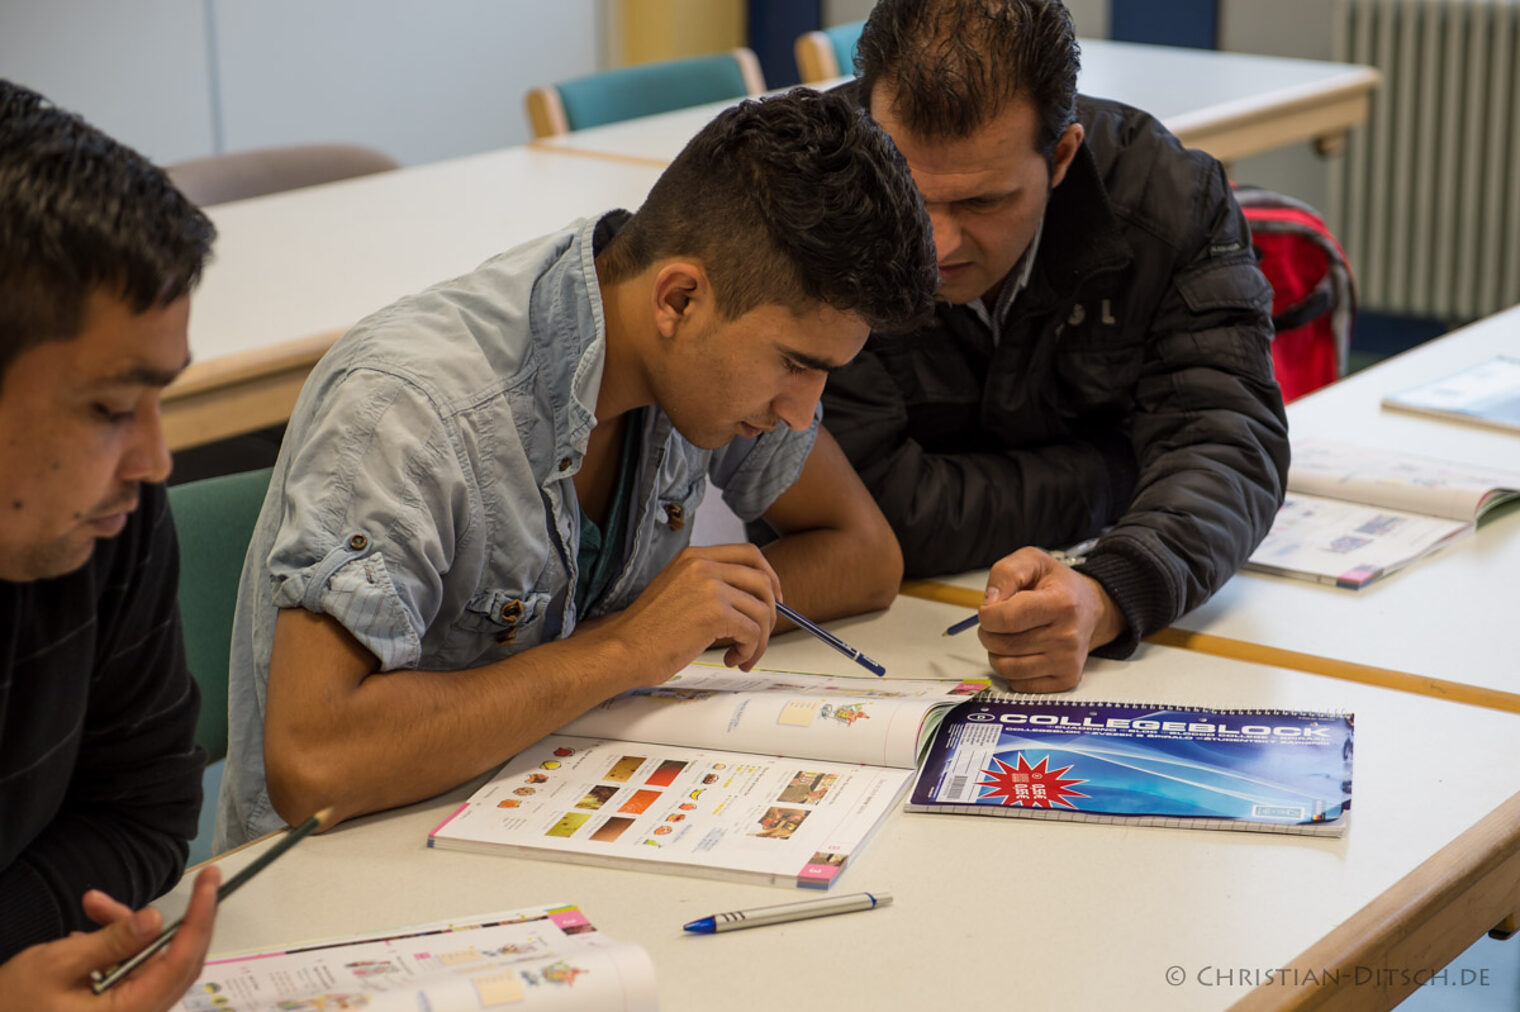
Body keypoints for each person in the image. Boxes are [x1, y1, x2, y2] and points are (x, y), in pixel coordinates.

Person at [215, 88, 938, 849]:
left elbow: (864, 553)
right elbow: (315, 765)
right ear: (680, 298)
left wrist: (689, 617)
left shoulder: (692, 354)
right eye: (795, 365)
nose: (801, 411)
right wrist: (626, 648)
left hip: (541, 811)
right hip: (352, 872)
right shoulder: (414, 409)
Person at [822, 0, 1290, 691]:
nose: (936, 245)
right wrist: (1125, 465)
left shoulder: (1168, 199)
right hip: (874, 638)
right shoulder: (814, 190)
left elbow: (1226, 442)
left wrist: (1106, 593)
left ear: (1063, 155)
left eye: (983, 203)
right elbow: (878, 509)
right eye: (909, 194)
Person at [0, 79, 222, 1005]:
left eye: (158, 399)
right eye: (107, 409)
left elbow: (145, 812)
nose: (155, 459)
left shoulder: (99, 525)